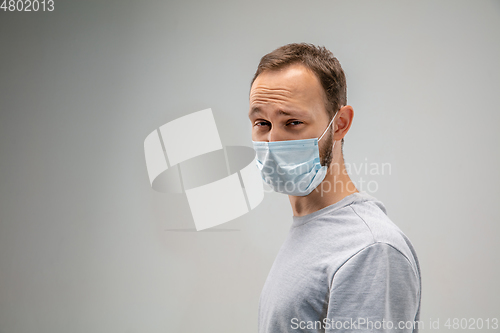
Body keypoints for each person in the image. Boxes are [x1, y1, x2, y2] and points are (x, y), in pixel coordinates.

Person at [248, 43, 422, 333]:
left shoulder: (370, 249)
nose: (272, 142)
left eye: (292, 122)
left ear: (339, 124)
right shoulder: (309, 230)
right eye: (262, 123)